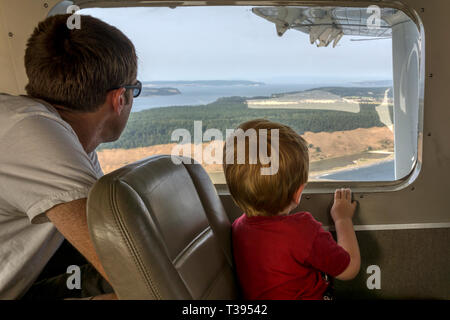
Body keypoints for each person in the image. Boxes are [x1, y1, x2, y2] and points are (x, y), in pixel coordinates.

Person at [0, 14, 140, 299]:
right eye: (134, 89)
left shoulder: (53, 132)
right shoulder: (33, 134)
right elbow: (133, 273)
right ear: (120, 99)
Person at [223, 119, 361, 300]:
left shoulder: (238, 229)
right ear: (298, 193)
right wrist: (343, 219)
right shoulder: (302, 230)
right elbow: (349, 268)